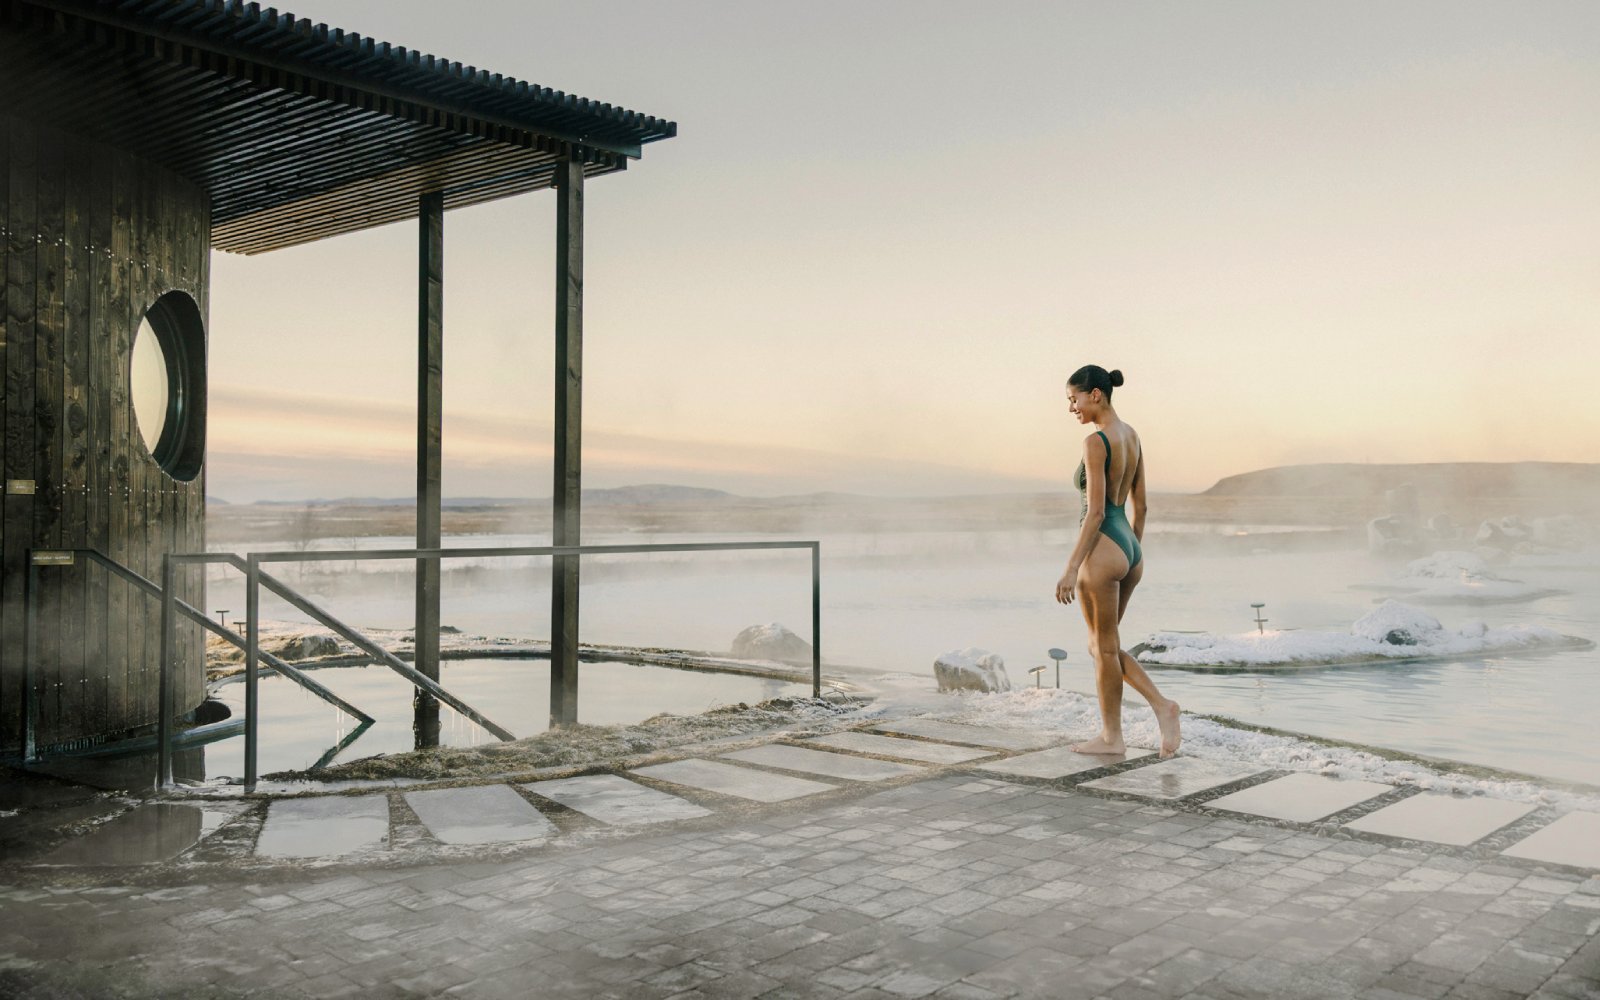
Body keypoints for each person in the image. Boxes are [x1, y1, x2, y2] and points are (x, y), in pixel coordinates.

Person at [1054, 365, 1182, 757]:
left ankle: (1117, 735)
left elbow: (1094, 513)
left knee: (1103, 649)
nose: (1071, 408)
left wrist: (1073, 567)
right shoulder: (1133, 436)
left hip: (1103, 547)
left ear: (1095, 394)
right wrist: (1130, 553)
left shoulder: (1096, 443)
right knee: (1102, 647)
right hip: (1129, 545)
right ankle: (1157, 711)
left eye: (1074, 398)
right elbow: (1140, 505)